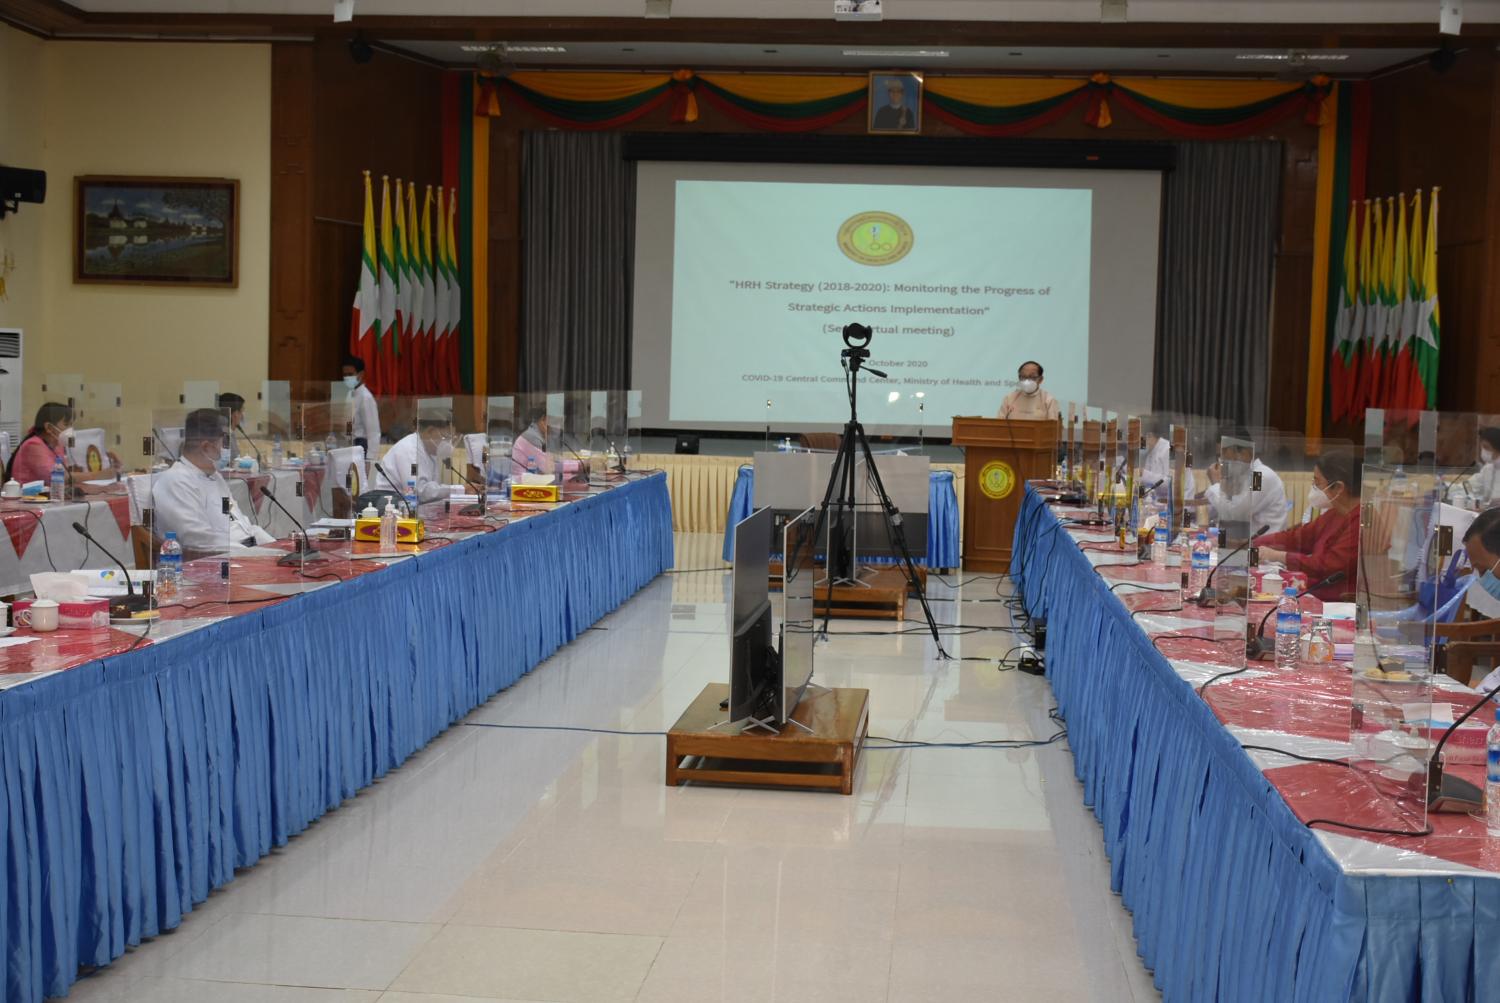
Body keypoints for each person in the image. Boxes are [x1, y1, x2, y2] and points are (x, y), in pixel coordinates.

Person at [153, 408, 275, 552]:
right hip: (220, 559)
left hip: (245, 551)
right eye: (225, 443)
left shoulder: (214, 477)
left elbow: (240, 523)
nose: (228, 450)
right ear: (206, 447)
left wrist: (276, 547)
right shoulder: (176, 481)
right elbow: (198, 541)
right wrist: (252, 554)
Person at [1253, 449, 1361, 601]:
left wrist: (1279, 556)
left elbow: (1327, 565)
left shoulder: (1359, 520)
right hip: (1315, 591)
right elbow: (1299, 537)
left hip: (1337, 602)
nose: (1313, 487)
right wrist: (1254, 542)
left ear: (1338, 488)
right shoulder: (1335, 513)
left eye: (1317, 482)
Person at [1199, 426, 1288, 533]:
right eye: (1219, 456)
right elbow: (1216, 509)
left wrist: (1216, 484)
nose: (1221, 461)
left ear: (1244, 453)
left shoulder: (1260, 476)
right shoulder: (1241, 476)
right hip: (1240, 540)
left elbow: (1236, 515)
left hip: (1262, 542)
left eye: (1224, 455)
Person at [379, 410, 455, 505]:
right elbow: (419, 491)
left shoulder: (430, 451)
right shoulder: (409, 450)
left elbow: (431, 488)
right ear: (430, 431)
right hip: (389, 506)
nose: (448, 443)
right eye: (445, 437)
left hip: (412, 506)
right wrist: (455, 490)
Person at [1139, 417, 1195, 503]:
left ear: (1149, 435)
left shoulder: (1168, 450)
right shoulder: (1151, 452)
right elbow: (1148, 485)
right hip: (1160, 502)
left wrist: (1144, 473)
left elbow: (1170, 483)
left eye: (1138, 437)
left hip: (1180, 503)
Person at [341, 356, 381, 455]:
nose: (347, 378)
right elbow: (348, 423)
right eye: (345, 375)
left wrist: (370, 459)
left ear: (361, 374)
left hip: (362, 447)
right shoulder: (350, 394)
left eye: (350, 374)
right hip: (350, 445)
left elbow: (373, 433)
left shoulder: (366, 397)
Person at [996, 361, 1060, 422]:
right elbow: (999, 423)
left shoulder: (1049, 400)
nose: (1027, 381)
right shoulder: (1009, 399)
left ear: (1040, 379)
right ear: (1019, 378)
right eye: (1023, 377)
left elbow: (1053, 427)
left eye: (1032, 377)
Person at [510, 410, 555, 480]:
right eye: (551, 422)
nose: (552, 427)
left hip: (526, 478)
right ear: (542, 420)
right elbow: (547, 468)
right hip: (520, 481)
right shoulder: (533, 437)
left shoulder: (533, 433)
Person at [1463, 426, 1500, 507]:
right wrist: (1445, 487)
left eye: (1486, 447)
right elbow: (1471, 486)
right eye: (1482, 447)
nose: (1483, 451)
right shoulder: (1488, 468)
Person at [218, 392, 246, 463]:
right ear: (236, 414)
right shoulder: (225, 434)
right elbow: (234, 462)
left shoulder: (227, 431)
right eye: (242, 411)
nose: (243, 416)